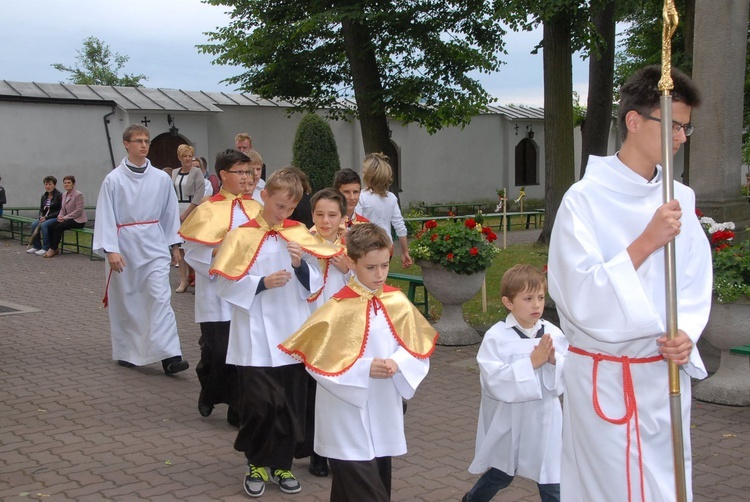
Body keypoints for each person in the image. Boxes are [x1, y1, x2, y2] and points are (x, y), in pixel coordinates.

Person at [547, 65, 712, 502]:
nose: (681, 138)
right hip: (606, 376)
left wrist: (685, 333)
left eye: (686, 128)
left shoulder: (681, 197)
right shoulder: (583, 200)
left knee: (666, 486)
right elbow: (577, 294)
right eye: (673, 125)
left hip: (662, 377)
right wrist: (645, 242)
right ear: (635, 121)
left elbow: (694, 278)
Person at [279, 223, 437, 502]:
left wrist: (397, 363)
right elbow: (319, 364)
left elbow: (416, 348)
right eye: (370, 267)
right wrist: (365, 368)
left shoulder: (396, 301)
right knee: (365, 489)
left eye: (385, 266)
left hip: (383, 407)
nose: (379, 275)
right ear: (351, 263)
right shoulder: (336, 308)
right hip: (345, 414)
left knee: (365, 484)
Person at [210, 167, 343, 498]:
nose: (283, 214)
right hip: (254, 335)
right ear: (264, 196)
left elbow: (315, 284)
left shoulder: (298, 233)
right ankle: (256, 462)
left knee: (289, 404)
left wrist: (300, 266)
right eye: (278, 206)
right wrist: (260, 283)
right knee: (260, 404)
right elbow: (224, 283)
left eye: (289, 209)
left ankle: (281, 464)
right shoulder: (241, 235)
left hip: (291, 333)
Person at [464, 264, 567, 502]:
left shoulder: (553, 333)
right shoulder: (497, 337)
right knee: (502, 472)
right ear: (509, 303)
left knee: (550, 477)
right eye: (528, 298)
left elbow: (566, 373)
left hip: (544, 418)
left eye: (541, 297)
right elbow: (492, 380)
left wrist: (554, 361)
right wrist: (530, 364)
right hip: (509, 419)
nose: (536, 305)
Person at [93, 124, 189, 376]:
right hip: (124, 246)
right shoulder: (113, 180)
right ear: (126, 144)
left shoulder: (160, 178)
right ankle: (127, 351)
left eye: (146, 140)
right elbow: (105, 215)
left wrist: (174, 244)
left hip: (154, 244)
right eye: (138, 141)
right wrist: (110, 249)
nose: (144, 145)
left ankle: (171, 355)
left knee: (160, 298)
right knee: (128, 301)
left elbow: (170, 213)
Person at [180, 149, 262, 426]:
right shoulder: (206, 209)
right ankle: (209, 390)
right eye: (240, 172)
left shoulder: (256, 208)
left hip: (245, 290)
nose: (246, 177)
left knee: (240, 351)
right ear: (223, 175)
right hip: (215, 292)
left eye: (248, 172)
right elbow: (191, 251)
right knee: (216, 350)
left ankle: (237, 407)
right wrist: (216, 259)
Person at [304, 187, 351, 478]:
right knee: (313, 394)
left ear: (342, 217)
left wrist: (348, 269)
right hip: (312, 327)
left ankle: (336, 450)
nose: (325, 221)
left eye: (332, 215)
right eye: (319, 214)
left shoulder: (351, 249)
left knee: (336, 394)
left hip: (342, 330)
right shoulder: (303, 244)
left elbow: (368, 283)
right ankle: (315, 451)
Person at [355, 153, 412, 268]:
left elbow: (355, 225)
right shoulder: (391, 198)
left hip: (365, 247)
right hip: (387, 247)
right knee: (380, 280)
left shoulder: (361, 197)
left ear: (369, 175)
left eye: (364, 171)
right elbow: (400, 227)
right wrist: (405, 251)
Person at [171, 144, 205, 293]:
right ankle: (183, 280)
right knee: (180, 247)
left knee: (193, 246)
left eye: (190, 156)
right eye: (184, 156)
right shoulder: (174, 172)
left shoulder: (196, 172)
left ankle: (197, 278)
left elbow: (199, 194)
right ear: (179, 157)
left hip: (191, 210)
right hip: (176, 208)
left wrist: (186, 214)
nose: (188, 159)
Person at [45, 175, 88, 258]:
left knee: (58, 227)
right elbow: (62, 208)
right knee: (51, 226)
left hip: (78, 220)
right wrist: (60, 216)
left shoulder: (78, 195)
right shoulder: (64, 194)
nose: (66, 184)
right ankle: (53, 247)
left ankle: (53, 249)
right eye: (65, 183)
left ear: (73, 184)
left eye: (69, 183)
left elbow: (78, 211)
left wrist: (64, 218)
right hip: (67, 219)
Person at [27, 176, 62, 256]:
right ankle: (36, 246)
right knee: (34, 224)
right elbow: (41, 209)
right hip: (45, 217)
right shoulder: (44, 196)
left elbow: (60, 211)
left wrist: (46, 218)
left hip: (55, 217)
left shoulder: (59, 196)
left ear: (54, 185)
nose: (48, 186)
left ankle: (46, 247)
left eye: (50, 184)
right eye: (46, 184)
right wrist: (41, 216)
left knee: (44, 225)